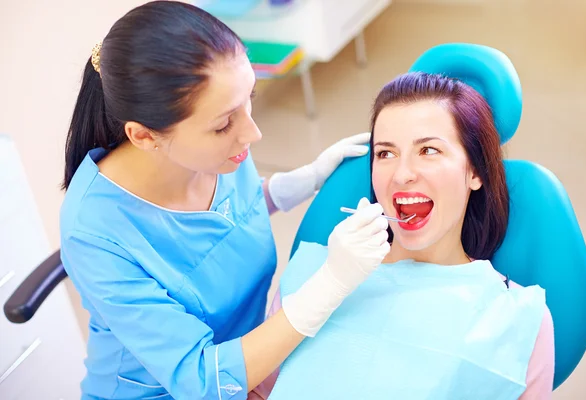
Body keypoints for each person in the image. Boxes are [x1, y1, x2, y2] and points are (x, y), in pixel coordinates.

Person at [59, 1, 392, 399]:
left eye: (249, 98)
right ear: (145, 136)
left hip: (254, 357)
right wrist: (331, 284)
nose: (252, 134)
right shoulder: (96, 235)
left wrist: (299, 183)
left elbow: (227, 219)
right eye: (223, 124)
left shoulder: (217, 149)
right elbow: (200, 378)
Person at [259, 72, 555, 399]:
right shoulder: (314, 273)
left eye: (428, 150)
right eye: (385, 153)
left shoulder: (518, 321)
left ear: (475, 171)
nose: (402, 175)